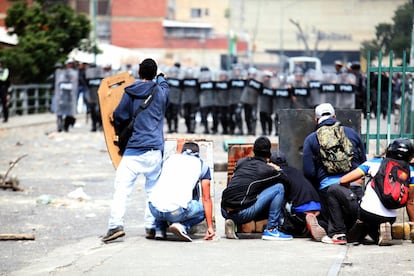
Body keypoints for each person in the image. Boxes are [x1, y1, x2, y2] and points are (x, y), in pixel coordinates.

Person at [102, 58, 169, 242]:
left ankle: (115, 225)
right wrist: (161, 77)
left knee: (122, 190)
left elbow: (119, 115)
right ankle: (151, 226)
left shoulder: (130, 91)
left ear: (139, 73)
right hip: (155, 149)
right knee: (153, 190)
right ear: (154, 74)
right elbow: (164, 84)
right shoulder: (161, 92)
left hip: (133, 150)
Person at [322, 138, 414, 245]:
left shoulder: (375, 163)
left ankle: (337, 233)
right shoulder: (411, 172)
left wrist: (347, 191)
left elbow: (343, 180)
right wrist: (413, 225)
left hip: (367, 213)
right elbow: (411, 202)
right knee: (358, 236)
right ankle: (381, 231)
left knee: (333, 189)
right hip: (390, 217)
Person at [302, 103, 366, 227]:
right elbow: (364, 163)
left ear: (316, 120)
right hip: (354, 187)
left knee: (329, 221)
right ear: (335, 116)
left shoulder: (311, 139)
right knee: (358, 220)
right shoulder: (352, 133)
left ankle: (325, 226)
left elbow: (308, 172)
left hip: (328, 190)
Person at [221, 136, 293, 241]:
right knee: (279, 188)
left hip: (224, 210)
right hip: (243, 214)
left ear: (253, 150)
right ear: (269, 154)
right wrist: (277, 169)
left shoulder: (241, 162)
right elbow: (287, 182)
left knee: (246, 190)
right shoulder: (268, 170)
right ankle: (271, 229)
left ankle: (232, 221)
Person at [148, 142, 215, 242]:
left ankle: (159, 228)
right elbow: (206, 198)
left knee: (165, 193)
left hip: (153, 208)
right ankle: (182, 226)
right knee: (204, 211)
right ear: (197, 153)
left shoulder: (169, 159)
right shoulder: (202, 165)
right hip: (175, 212)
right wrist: (210, 227)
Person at [270, 151, 326, 241]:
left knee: (277, 195)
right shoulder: (295, 171)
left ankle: (283, 227)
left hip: (301, 209)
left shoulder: (279, 174)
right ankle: (314, 223)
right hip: (317, 205)